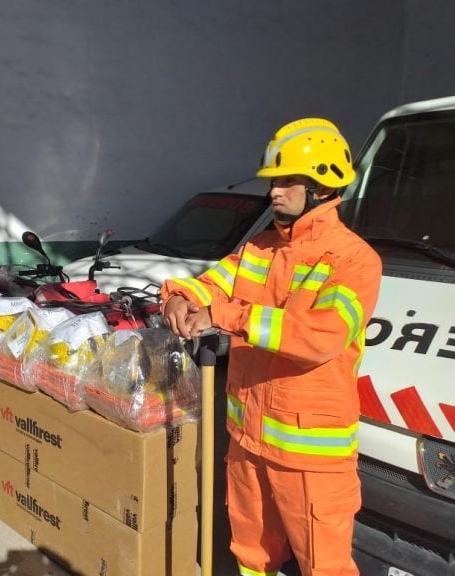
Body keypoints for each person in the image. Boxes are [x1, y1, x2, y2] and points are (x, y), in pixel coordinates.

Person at [161, 117, 382, 576]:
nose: (274, 193)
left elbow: (318, 337)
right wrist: (179, 300)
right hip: (248, 443)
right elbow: (208, 285)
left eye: (286, 182)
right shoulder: (258, 249)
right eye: (274, 182)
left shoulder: (354, 259)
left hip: (311, 461)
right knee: (251, 557)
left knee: (325, 567)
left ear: (321, 188)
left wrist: (227, 316)